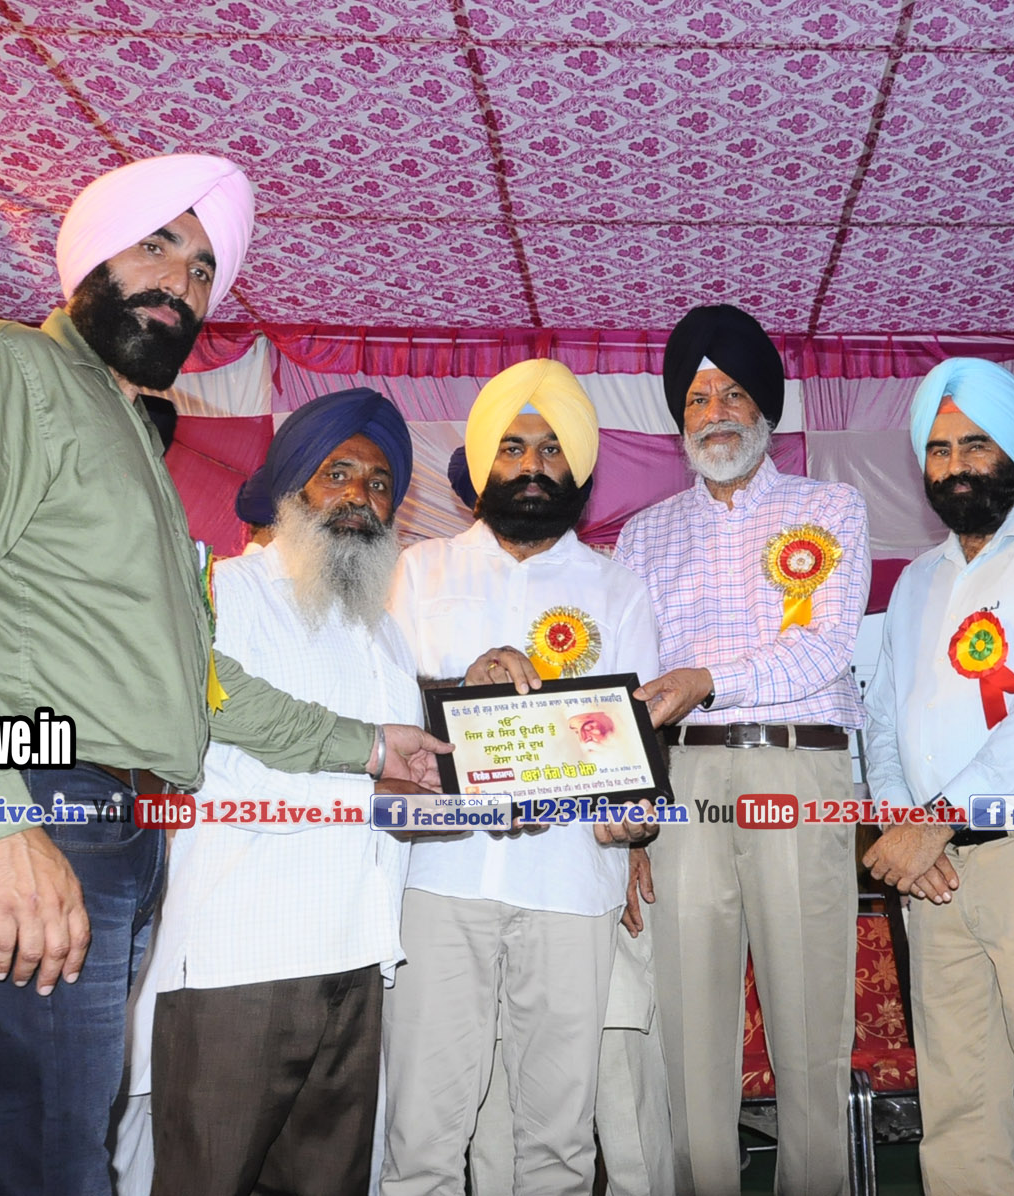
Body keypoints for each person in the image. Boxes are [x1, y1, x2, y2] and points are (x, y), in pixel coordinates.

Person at [0, 154, 446, 1194]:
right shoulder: (5, 365)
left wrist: (367, 745)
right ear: (89, 255)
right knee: (50, 1165)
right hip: (39, 804)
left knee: (9, 1159)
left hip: (107, 831)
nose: (180, 282)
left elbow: (199, 680)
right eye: (156, 247)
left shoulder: (128, 437)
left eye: (203, 269)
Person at [384, 359, 667, 1196]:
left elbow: (636, 747)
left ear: (577, 468)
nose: (533, 466)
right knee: (423, 1140)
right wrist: (459, 686)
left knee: (559, 1146)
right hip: (440, 881)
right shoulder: (417, 573)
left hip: (570, 884)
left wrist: (636, 818)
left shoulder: (618, 590)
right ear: (483, 462)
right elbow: (383, 716)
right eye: (512, 447)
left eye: (551, 449)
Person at [144, 388, 425, 1193]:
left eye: (379, 483)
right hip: (242, 961)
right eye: (337, 473)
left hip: (360, 959)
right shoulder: (222, 595)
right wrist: (374, 794)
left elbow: (403, 775)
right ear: (291, 485)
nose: (360, 496)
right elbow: (218, 771)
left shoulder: (386, 634)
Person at [615, 304, 868, 1196]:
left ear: (765, 406)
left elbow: (825, 646)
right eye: (696, 399)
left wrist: (707, 679)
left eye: (731, 393)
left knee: (809, 1026)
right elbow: (632, 687)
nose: (714, 413)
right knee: (689, 1026)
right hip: (683, 780)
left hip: (797, 767)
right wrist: (633, 815)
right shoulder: (642, 534)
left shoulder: (830, 507)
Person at [861, 358, 1014, 1195]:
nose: (956, 466)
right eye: (938, 451)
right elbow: (883, 721)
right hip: (935, 875)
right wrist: (905, 823)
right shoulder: (917, 583)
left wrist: (934, 817)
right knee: (958, 1110)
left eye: (975, 445)